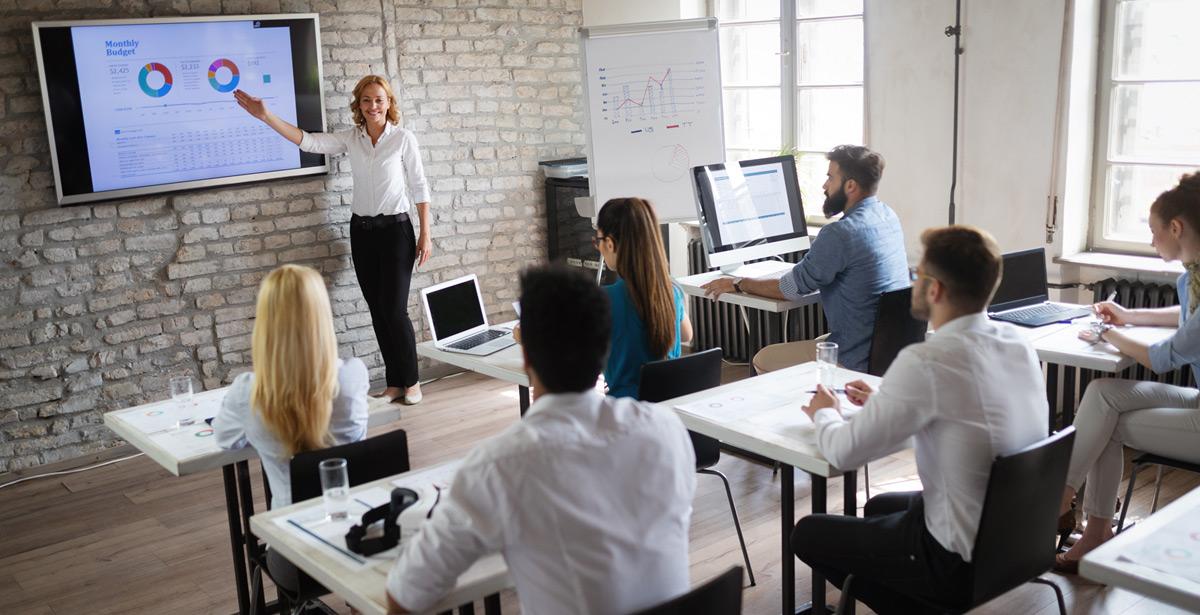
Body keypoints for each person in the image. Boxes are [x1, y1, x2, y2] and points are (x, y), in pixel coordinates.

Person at [386, 265, 696, 615]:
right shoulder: (666, 430)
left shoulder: (498, 466)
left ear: (527, 356)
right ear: (605, 347)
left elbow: (405, 596)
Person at [791, 226, 1046, 613]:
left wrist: (824, 410)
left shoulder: (928, 360)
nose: (912, 281)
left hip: (957, 561)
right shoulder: (1016, 343)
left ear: (935, 289)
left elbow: (842, 453)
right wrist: (888, 401)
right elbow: (964, 420)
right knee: (880, 507)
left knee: (808, 533)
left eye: (917, 274)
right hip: (1015, 539)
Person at [235, 75, 430, 405]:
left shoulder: (403, 139)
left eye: (379, 100)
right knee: (378, 311)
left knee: (394, 310)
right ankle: (395, 383)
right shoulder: (351, 139)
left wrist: (426, 233)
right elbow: (308, 142)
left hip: (397, 232)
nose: (373, 106)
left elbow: (420, 186)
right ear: (359, 105)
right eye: (366, 100)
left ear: (389, 103)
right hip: (362, 233)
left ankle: (412, 382)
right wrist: (266, 116)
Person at [1054, 172, 1200, 573]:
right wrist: (1128, 315)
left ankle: (1078, 519)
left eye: (1154, 231)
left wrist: (1111, 334)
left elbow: (1165, 356)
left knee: (1107, 423)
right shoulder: (1193, 276)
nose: (1152, 241)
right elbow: (1188, 319)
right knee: (1103, 392)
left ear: (1177, 227)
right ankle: (1067, 500)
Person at [213, 264, 369, 591]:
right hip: (363, 543)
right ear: (322, 317)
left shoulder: (249, 392)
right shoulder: (353, 376)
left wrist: (265, 434)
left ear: (266, 323)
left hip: (295, 559)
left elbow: (226, 439)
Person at [700, 145, 907, 373]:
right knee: (820, 338)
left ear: (850, 185)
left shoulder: (840, 234)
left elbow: (787, 289)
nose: (824, 185)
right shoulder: (888, 216)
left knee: (763, 358)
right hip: (888, 351)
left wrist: (738, 283)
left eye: (830, 177)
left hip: (853, 357)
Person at [594, 197, 694, 397]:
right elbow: (686, 335)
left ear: (611, 244)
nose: (598, 247)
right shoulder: (671, 289)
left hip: (624, 415)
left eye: (598, 240)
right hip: (668, 412)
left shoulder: (604, 300)